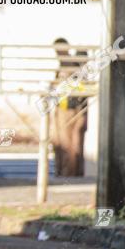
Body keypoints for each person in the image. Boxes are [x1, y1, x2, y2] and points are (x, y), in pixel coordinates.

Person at [53, 39, 89, 177]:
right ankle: (67, 172)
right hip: (67, 108)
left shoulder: (70, 66)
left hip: (69, 109)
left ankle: (68, 174)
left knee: (69, 144)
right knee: (66, 143)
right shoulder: (65, 66)